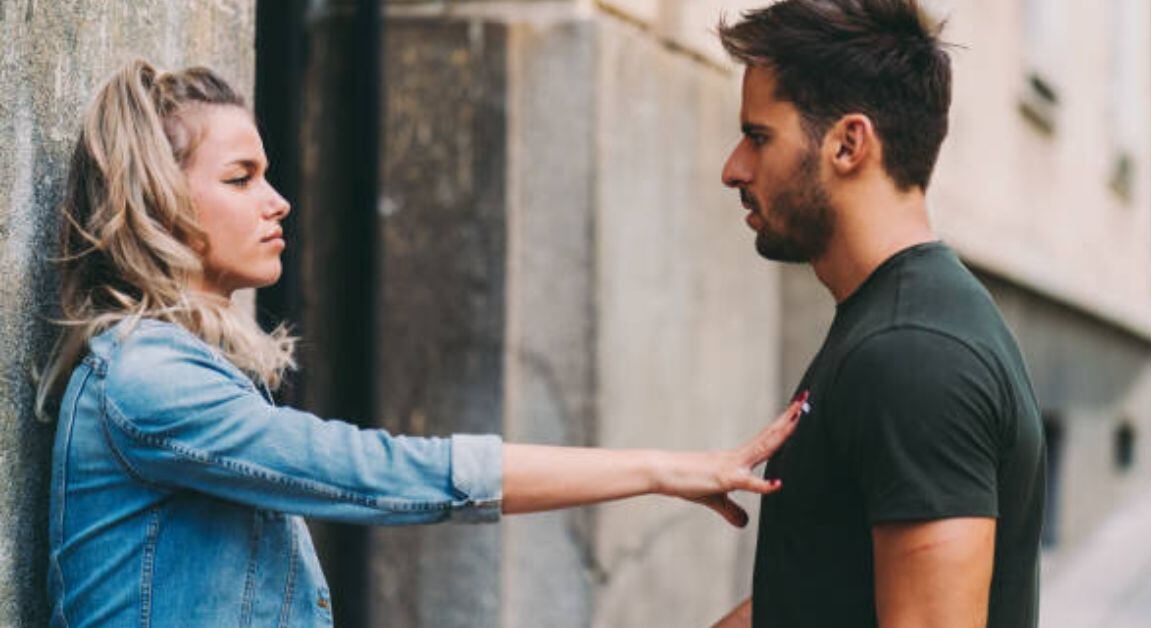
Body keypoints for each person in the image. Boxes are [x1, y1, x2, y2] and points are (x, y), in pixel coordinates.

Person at [37, 59, 802, 627]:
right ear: (157, 202)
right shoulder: (150, 380)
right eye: (241, 178)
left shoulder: (185, 372)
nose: (279, 202)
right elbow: (380, 474)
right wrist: (662, 470)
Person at [711, 1, 1045, 627]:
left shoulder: (914, 354)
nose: (734, 169)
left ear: (848, 143)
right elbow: (824, 592)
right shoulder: (895, 324)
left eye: (758, 137)